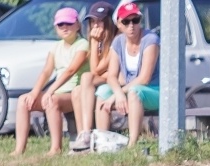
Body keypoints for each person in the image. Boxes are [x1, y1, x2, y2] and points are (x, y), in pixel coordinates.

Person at [12, 7, 89, 155]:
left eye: (69, 23)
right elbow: (46, 72)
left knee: (52, 101)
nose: (65, 27)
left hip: (75, 93)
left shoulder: (83, 44)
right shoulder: (55, 47)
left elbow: (71, 70)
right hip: (57, 92)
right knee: (23, 100)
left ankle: (56, 148)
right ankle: (19, 149)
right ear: (56, 28)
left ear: (78, 25)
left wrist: (50, 91)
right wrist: (34, 93)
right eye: (60, 24)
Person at [95, 2, 160, 149]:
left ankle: (132, 143)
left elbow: (144, 78)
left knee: (134, 92)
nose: (131, 25)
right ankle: (102, 142)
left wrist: (117, 95)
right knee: (102, 92)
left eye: (135, 20)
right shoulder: (118, 42)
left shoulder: (151, 40)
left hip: (155, 90)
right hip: (130, 89)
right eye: (126, 21)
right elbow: (111, 76)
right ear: (119, 24)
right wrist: (117, 94)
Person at [71, 1, 118, 151]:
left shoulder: (117, 39)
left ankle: (87, 133)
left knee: (86, 77)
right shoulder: (100, 39)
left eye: (100, 20)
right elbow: (96, 71)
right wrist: (95, 42)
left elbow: (95, 70)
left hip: (117, 79)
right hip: (104, 78)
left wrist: (93, 40)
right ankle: (82, 137)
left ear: (109, 21)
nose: (95, 25)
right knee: (76, 91)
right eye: (93, 21)